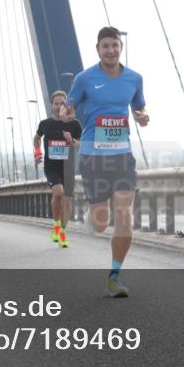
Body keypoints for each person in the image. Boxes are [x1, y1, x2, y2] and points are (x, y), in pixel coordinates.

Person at [66, 26, 149, 297]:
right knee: (101, 222)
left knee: (125, 214)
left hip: (122, 157)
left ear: (120, 47)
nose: (111, 50)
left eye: (115, 45)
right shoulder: (84, 78)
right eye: (105, 46)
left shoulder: (134, 78)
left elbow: (139, 106)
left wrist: (142, 116)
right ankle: (93, 218)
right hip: (93, 157)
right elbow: (70, 103)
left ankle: (115, 276)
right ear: (98, 49)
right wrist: (67, 111)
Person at [34, 91, 82, 249]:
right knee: (59, 193)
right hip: (52, 167)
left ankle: (61, 232)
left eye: (63, 103)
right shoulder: (45, 124)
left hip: (68, 168)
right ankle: (56, 227)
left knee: (67, 201)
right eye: (56, 103)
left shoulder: (74, 124)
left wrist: (72, 140)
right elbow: (37, 137)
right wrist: (38, 152)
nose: (59, 106)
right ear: (51, 105)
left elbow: (82, 145)